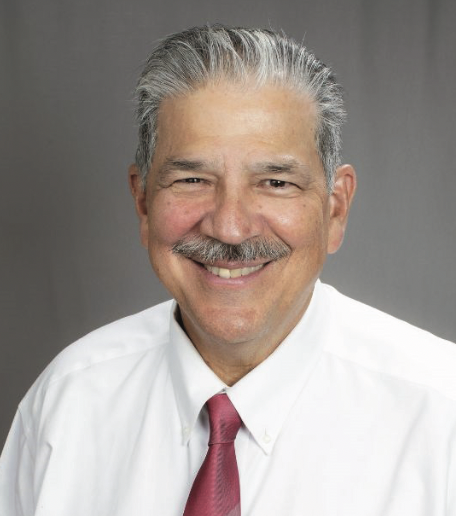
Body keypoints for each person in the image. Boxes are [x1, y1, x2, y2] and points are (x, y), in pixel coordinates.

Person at [1, 24, 455, 516]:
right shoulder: (66, 402)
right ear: (143, 202)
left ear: (335, 209)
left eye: (275, 182)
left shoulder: (441, 418)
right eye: (192, 179)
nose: (231, 228)